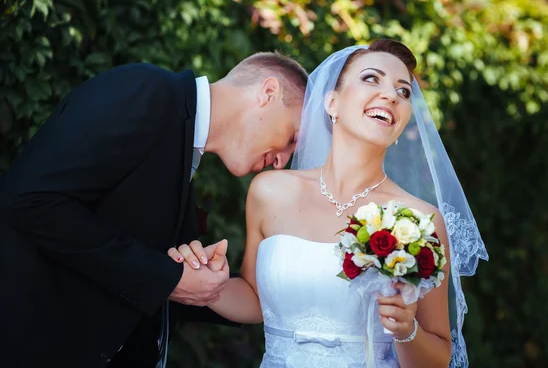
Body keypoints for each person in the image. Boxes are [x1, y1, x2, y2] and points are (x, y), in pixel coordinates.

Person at [170, 39, 489, 367]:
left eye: (403, 91)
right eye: (371, 78)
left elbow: (439, 355)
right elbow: (255, 300)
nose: (391, 95)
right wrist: (211, 283)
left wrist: (405, 330)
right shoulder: (269, 192)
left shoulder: (420, 219)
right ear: (332, 103)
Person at [0, 52, 308, 368]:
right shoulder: (146, 91)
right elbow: (32, 200)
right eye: (292, 138)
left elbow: (132, 267)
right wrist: (167, 278)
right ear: (268, 93)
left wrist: (204, 283)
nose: (282, 161)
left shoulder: (184, 150)